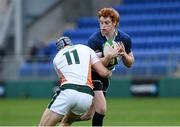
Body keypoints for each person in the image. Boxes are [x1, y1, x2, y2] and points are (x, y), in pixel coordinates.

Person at [38, 36, 120, 126]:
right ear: (71, 43)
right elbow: (103, 73)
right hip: (86, 96)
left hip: (69, 90)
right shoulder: (85, 48)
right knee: (66, 122)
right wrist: (110, 65)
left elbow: (62, 79)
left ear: (59, 49)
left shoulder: (56, 58)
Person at [80, 7, 135, 126]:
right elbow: (91, 64)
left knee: (87, 115)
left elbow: (130, 63)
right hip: (92, 74)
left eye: (106, 23)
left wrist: (124, 54)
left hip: (105, 77)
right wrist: (108, 57)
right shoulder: (94, 40)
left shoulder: (124, 39)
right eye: (101, 23)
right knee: (101, 109)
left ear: (115, 23)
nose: (103, 26)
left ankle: (61, 119)